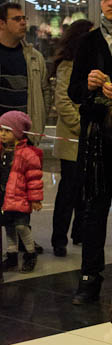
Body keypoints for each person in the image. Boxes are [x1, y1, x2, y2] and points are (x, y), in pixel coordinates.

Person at [68, 0, 112, 304]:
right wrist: (89, 84)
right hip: (96, 137)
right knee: (93, 210)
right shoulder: (88, 41)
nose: (110, 3)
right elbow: (74, 91)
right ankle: (89, 279)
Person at [0, 1, 51, 256]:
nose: (23, 22)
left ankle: (24, 238)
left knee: (22, 189)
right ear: (1, 23)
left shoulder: (33, 57)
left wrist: (37, 125)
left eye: (24, 18)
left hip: (23, 138)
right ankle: (11, 242)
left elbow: (44, 91)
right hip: (0, 136)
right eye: (16, 19)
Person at [51, 19, 93, 257]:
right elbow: (63, 103)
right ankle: (59, 239)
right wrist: (81, 126)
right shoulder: (67, 66)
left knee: (86, 190)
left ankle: (80, 233)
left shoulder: (92, 64)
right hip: (72, 138)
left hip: (89, 138)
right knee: (68, 191)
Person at [0, 111, 43, 273]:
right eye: (1, 130)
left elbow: (34, 178)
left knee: (22, 227)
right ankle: (12, 256)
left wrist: (35, 199)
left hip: (20, 198)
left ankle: (30, 254)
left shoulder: (27, 154)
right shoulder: (2, 151)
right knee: (8, 227)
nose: (3, 134)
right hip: (5, 199)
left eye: (7, 130)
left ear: (18, 132)